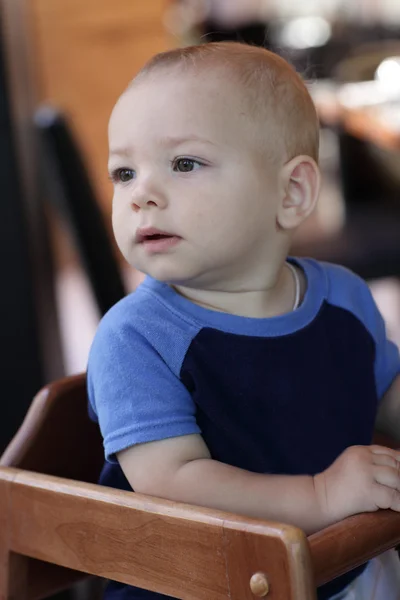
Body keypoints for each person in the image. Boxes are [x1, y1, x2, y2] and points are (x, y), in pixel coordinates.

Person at [87, 42, 400, 600]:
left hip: (342, 564)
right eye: (123, 172)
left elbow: (385, 396)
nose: (142, 195)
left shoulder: (345, 300)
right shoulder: (135, 338)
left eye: (184, 163)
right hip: (201, 584)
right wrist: (321, 497)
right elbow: (173, 483)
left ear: (291, 192)